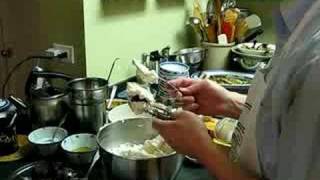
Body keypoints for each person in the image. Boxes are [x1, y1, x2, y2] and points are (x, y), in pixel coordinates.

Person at [153, 0, 320, 179]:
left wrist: (203, 147)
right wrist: (230, 103)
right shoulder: (299, 24)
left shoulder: (315, 60)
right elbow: (290, 119)